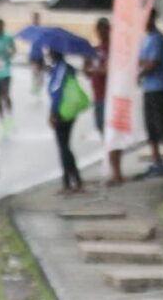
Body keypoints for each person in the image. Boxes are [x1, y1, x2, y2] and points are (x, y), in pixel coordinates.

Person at [84, 16, 123, 184]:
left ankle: (116, 171)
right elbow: (89, 71)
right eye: (99, 29)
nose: (102, 32)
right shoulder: (95, 50)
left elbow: (108, 70)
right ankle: (111, 167)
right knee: (103, 132)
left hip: (111, 97)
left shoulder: (114, 50)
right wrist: (89, 67)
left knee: (113, 133)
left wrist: (95, 69)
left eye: (105, 29)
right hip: (98, 96)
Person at [138, 7, 163, 175]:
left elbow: (152, 63)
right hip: (148, 88)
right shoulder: (146, 39)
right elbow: (142, 61)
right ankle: (156, 158)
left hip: (160, 87)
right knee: (150, 124)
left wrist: (142, 67)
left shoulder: (158, 38)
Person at [47, 50, 84, 194]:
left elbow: (56, 92)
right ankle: (72, 180)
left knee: (63, 148)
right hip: (70, 110)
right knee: (65, 147)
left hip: (62, 112)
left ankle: (70, 182)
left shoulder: (60, 69)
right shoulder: (67, 68)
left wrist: (52, 113)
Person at [27, 11, 45, 97]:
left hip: (40, 54)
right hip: (33, 54)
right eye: (34, 18)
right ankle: (35, 88)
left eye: (37, 18)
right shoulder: (31, 30)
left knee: (40, 75)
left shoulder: (41, 30)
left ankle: (38, 87)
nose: (35, 20)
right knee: (35, 73)